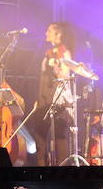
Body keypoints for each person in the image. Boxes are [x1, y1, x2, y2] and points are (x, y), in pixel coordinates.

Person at [32, 22, 76, 166]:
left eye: (49, 31)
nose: (46, 33)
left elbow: (65, 75)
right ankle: (41, 170)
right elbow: (42, 78)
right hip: (44, 98)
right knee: (39, 133)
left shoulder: (65, 52)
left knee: (59, 134)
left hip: (57, 99)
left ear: (58, 34)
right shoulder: (47, 53)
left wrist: (56, 66)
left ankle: (62, 170)